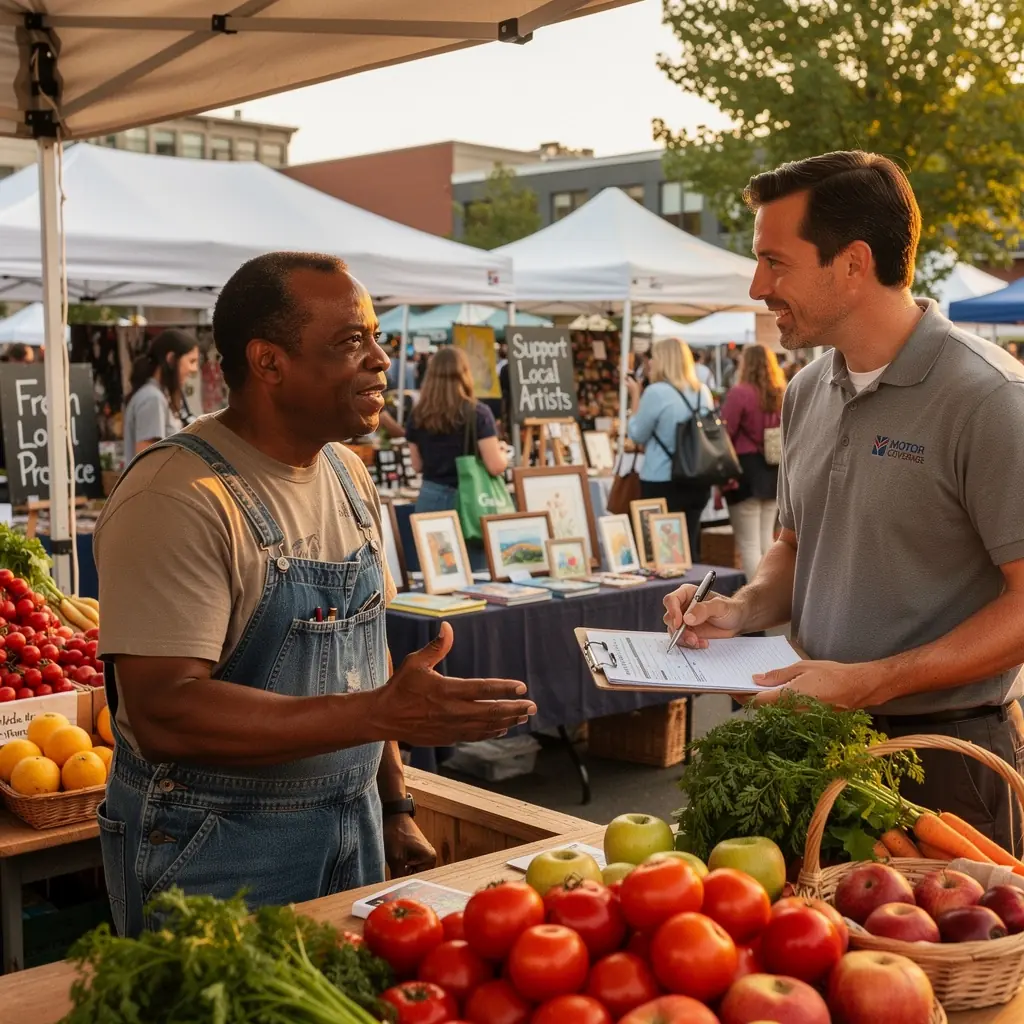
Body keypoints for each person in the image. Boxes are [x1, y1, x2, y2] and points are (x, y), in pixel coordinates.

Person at [94, 252, 536, 936]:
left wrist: (394, 803)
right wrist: (378, 714)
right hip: (215, 852)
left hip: (354, 825)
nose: (381, 361)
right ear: (269, 363)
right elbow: (165, 712)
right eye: (351, 341)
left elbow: (364, 652)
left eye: (376, 338)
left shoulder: (348, 476)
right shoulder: (175, 497)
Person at [664, 150, 1024, 852]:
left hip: (944, 766)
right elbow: (795, 547)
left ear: (854, 264)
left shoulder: (989, 399)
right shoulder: (805, 390)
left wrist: (870, 682)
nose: (758, 287)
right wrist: (741, 608)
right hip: (813, 749)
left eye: (775, 262)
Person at [625, 337, 715, 561]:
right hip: (697, 476)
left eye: (653, 357)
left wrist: (635, 396)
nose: (650, 362)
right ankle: (694, 583)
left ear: (663, 360)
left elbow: (636, 434)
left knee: (661, 553)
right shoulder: (702, 391)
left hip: (661, 478)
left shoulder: (656, 392)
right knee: (690, 547)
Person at [406, 346, 508, 517]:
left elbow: (417, 465)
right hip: (470, 496)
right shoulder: (478, 413)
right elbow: (495, 466)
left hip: (430, 497)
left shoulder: (418, 414)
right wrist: (503, 453)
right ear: (465, 374)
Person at [720, 344, 786, 584]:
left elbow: (725, 431)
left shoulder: (740, 393)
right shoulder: (781, 392)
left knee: (748, 544)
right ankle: (771, 595)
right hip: (773, 469)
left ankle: (755, 599)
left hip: (746, 470)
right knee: (767, 540)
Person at [122, 329, 200, 458]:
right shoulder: (152, 398)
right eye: (191, 361)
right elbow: (148, 460)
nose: (194, 369)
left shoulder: (157, 396)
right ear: (171, 359)